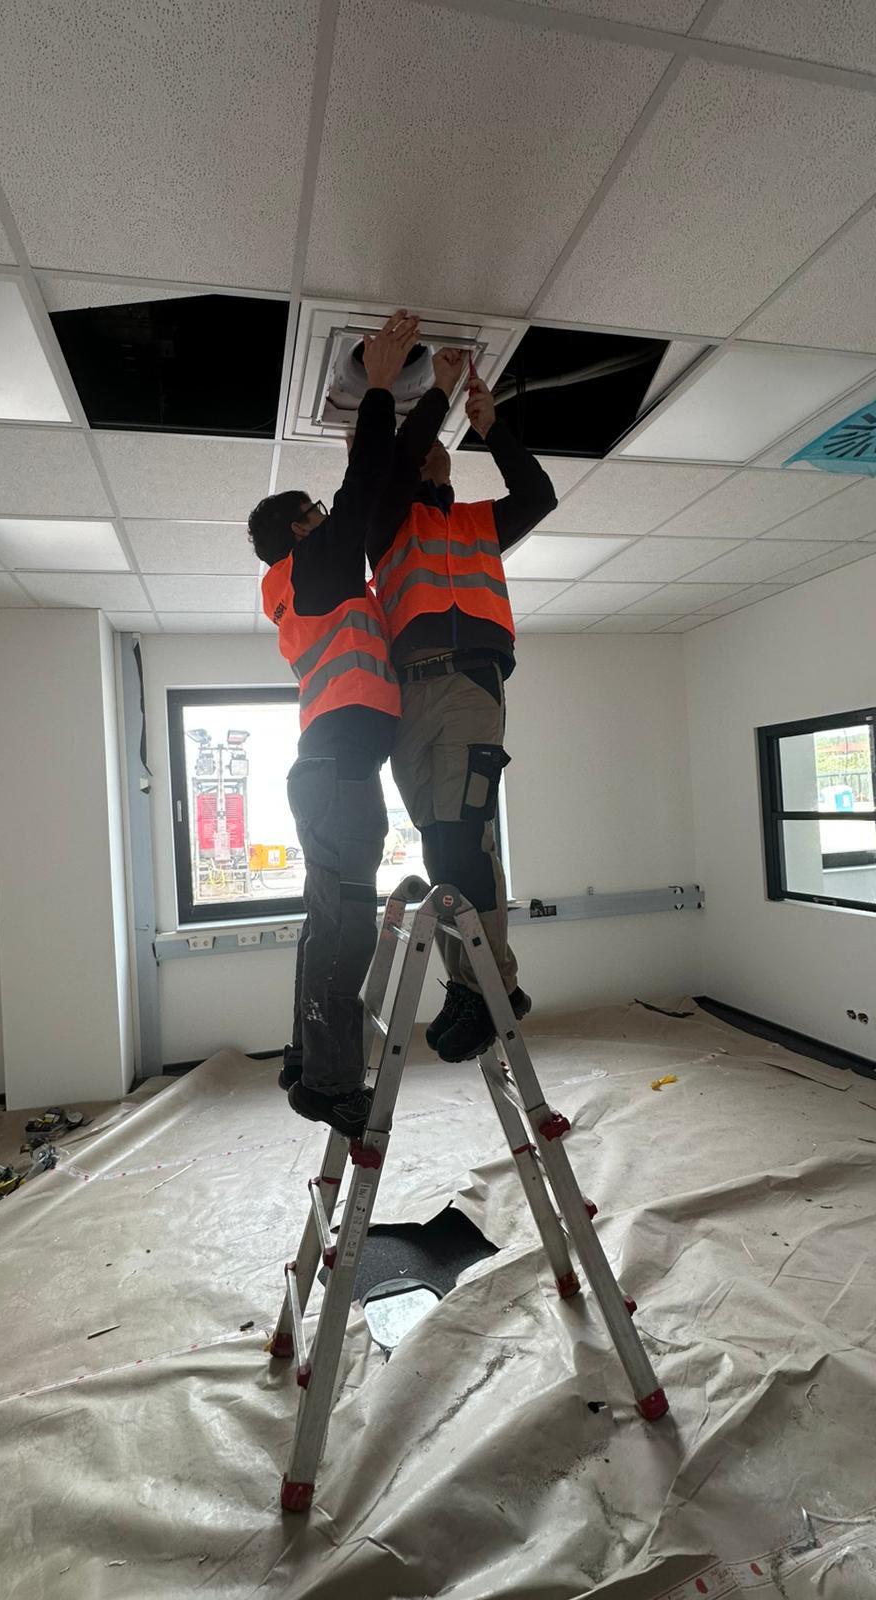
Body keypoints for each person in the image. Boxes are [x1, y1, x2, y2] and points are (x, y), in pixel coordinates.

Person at [248, 313, 462, 1137]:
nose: (327, 514)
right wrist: (379, 386)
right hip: (337, 774)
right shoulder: (312, 567)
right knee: (345, 930)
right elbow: (369, 477)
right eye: (315, 510)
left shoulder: (315, 584)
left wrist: (434, 401)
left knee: (330, 922)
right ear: (299, 531)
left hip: (331, 772)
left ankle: (307, 1060)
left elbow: (385, 476)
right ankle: (330, 1083)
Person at [368, 359, 557, 1062]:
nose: (427, 456)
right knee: (438, 844)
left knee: (464, 836)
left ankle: (490, 987)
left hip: (469, 685)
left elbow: (538, 495)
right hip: (408, 696)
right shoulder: (385, 523)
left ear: (450, 462)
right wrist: (434, 398)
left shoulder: (481, 522)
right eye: (419, 452)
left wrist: (492, 429)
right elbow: (393, 468)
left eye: (435, 450)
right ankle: (474, 983)